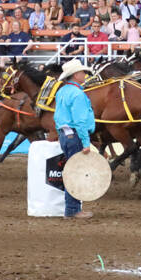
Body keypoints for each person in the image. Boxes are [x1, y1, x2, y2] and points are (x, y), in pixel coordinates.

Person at [53, 59, 96, 219]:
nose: (85, 75)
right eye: (83, 72)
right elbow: (80, 121)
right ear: (76, 75)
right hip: (75, 136)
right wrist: (86, 143)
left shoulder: (61, 92)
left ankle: (72, 208)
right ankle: (72, 210)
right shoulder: (78, 94)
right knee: (75, 172)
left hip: (65, 134)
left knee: (71, 170)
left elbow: (57, 116)